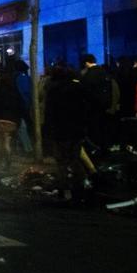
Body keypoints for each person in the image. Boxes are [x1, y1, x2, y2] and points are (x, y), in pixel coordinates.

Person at [43, 64, 91, 203]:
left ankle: (64, 189)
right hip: (76, 130)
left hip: (60, 131)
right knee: (74, 158)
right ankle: (80, 187)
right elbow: (86, 108)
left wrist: (48, 130)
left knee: (62, 161)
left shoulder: (54, 90)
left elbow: (49, 112)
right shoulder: (78, 88)